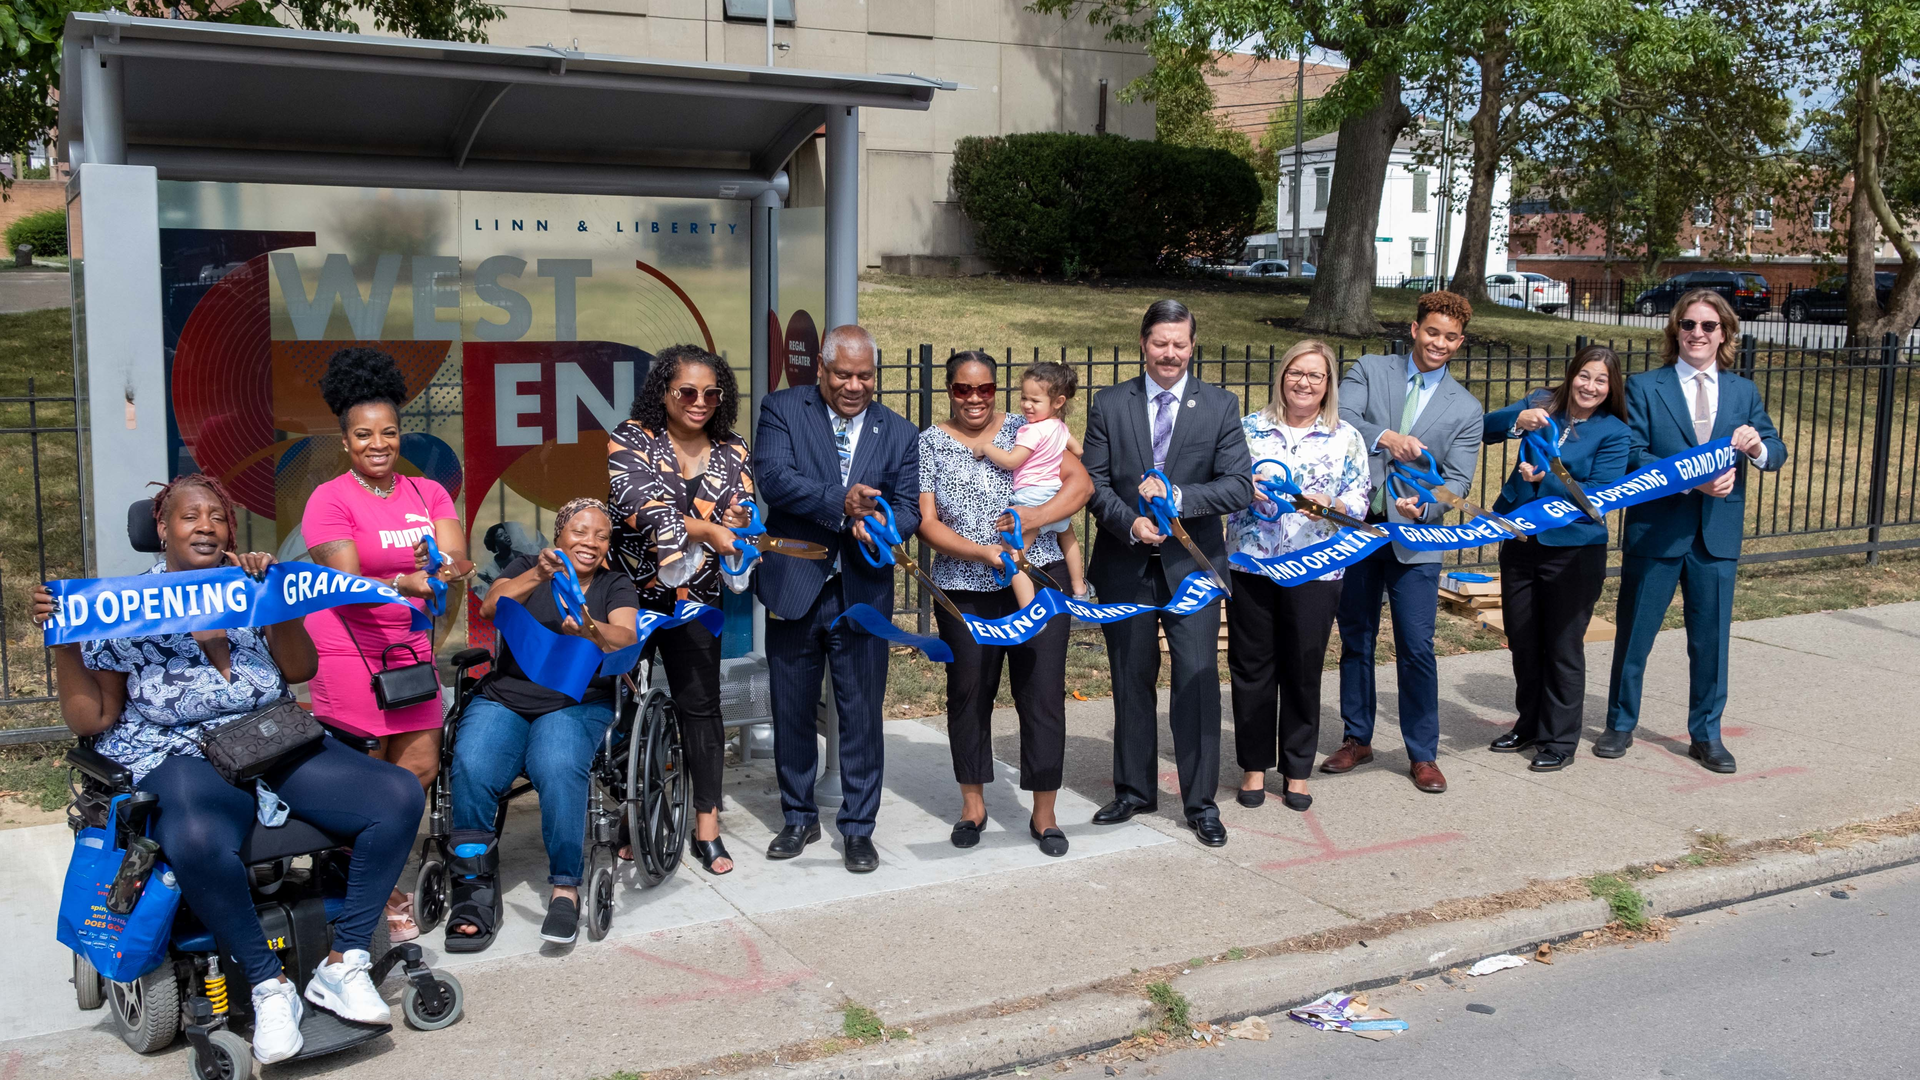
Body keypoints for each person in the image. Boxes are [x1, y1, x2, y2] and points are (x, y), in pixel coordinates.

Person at [34, 475, 424, 1065]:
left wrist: (279, 602)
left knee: (396, 794)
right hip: (180, 753)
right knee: (193, 835)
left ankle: (344, 964)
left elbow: (296, 668)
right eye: (190, 516)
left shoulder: (246, 589)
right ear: (162, 529)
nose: (207, 525)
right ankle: (270, 988)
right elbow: (95, 720)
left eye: (218, 516)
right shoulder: (120, 605)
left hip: (268, 737)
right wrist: (64, 639)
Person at [302, 347, 470, 941]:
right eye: (365, 434)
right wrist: (406, 579)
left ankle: (376, 876)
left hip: (408, 654)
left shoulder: (428, 494)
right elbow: (343, 581)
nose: (379, 443)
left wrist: (445, 568)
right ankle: (368, 892)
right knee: (362, 781)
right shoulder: (329, 500)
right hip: (349, 652)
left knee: (418, 769)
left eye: (389, 432)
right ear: (346, 441)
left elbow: (455, 556)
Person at [1082, 300, 1253, 847]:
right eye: (1161, 343)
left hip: (1193, 566)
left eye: (1180, 344)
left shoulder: (1221, 406)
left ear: (1193, 346)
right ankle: (1134, 789)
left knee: (1198, 680)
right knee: (1131, 679)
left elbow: (1238, 485)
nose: (1170, 354)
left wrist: (1179, 498)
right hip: (1124, 564)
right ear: (1142, 343)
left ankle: (1200, 802)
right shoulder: (1110, 404)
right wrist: (1130, 524)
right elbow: (1093, 485)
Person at [753, 324, 921, 873]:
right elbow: (774, 479)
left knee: (861, 712)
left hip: (863, 590)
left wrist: (885, 525)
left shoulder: (898, 431)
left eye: (865, 375)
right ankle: (798, 817)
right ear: (821, 371)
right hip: (795, 583)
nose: (854, 385)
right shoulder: (782, 409)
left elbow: (909, 506)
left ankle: (858, 827)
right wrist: (840, 505)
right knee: (792, 708)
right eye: (843, 374)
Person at [917, 351, 1094, 856]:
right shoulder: (930, 443)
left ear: (997, 390)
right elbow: (926, 523)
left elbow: (1081, 483)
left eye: (985, 389)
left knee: (1041, 695)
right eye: (962, 389)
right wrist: (983, 552)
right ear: (949, 390)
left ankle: (1044, 813)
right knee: (969, 692)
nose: (974, 398)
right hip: (964, 586)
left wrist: (1035, 517)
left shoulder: (1028, 424)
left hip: (1039, 579)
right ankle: (973, 804)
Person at [1602, 290, 1786, 773]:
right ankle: (1620, 724)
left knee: (1710, 642)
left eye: (1707, 326)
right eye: (1688, 325)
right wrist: (1691, 480)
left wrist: (1756, 449)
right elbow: (1632, 454)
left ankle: (1706, 734)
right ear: (1675, 331)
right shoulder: (1645, 387)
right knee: (1635, 636)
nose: (1697, 334)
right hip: (1657, 531)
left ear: (1723, 333)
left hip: (1716, 538)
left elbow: (1774, 449)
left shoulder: (1743, 392)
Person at [447, 499, 639, 951]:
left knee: (555, 764)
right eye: (580, 531)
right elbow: (492, 607)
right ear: (559, 535)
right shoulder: (525, 566)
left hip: (577, 701)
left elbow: (626, 636)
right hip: (508, 696)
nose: (589, 542)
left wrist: (589, 629)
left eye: (601, 535)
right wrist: (541, 574)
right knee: (472, 763)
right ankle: (472, 889)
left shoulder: (614, 584)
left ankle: (565, 888)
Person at [1329, 291, 1486, 795]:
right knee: (1356, 638)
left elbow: (1458, 481)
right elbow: (1341, 418)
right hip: (1358, 531)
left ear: (1460, 343)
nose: (1439, 343)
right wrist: (1388, 438)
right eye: (1432, 332)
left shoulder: (1466, 407)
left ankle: (1423, 754)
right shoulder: (1371, 370)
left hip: (1416, 539)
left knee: (1416, 647)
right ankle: (1357, 738)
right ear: (1415, 329)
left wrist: (1431, 507)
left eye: (1450, 337)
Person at [608, 343, 754, 875]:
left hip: (698, 597)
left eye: (711, 393)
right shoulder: (632, 438)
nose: (700, 402)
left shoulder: (734, 448)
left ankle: (706, 826)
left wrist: (737, 519)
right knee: (626, 708)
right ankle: (630, 815)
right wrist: (710, 528)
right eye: (687, 391)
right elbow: (638, 508)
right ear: (662, 391)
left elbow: (742, 510)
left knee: (701, 706)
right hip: (633, 595)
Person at [1225, 341, 1369, 812]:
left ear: (1328, 385)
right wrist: (1249, 494)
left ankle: (1297, 771)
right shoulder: (1248, 429)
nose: (1304, 383)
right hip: (1253, 564)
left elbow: (1361, 500)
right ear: (1282, 375)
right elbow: (1227, 485)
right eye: (1296, 373)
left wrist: (1332, 507)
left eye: (1316, 376)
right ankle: (1252, 766)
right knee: (1252, 668)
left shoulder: (1345, 436)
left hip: (1315, 568)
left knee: (1303, 669)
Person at [1482, 345, 1632, 771]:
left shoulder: (1615, 432)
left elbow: (1598, 497)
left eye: (1601, 380)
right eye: (1585, 376)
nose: (1590, 386)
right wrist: (1517, 421)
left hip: (1574, 550)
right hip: (1521, 542)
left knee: (1562, 646)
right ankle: (1528, 724)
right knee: (1524, 641)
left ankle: (1559, 741)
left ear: (1611, 388)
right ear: (1572, 375)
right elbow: (1485, 428)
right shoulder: (1540, 402)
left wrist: (1549, 478)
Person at [971, 361, 1090, 602]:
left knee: (1014, 552)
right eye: (1024, 398)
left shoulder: (1030, 431)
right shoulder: (1060, 428)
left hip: (1030, 498)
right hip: (1055, 495)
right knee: (1067, 536)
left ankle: (1027, 607)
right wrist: (1052, 460)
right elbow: (1077, 452)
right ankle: (1080, 589)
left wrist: (986, 447)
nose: (1027, 405)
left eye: (1035, 401)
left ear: (1058, 402)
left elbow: (1012, 461)